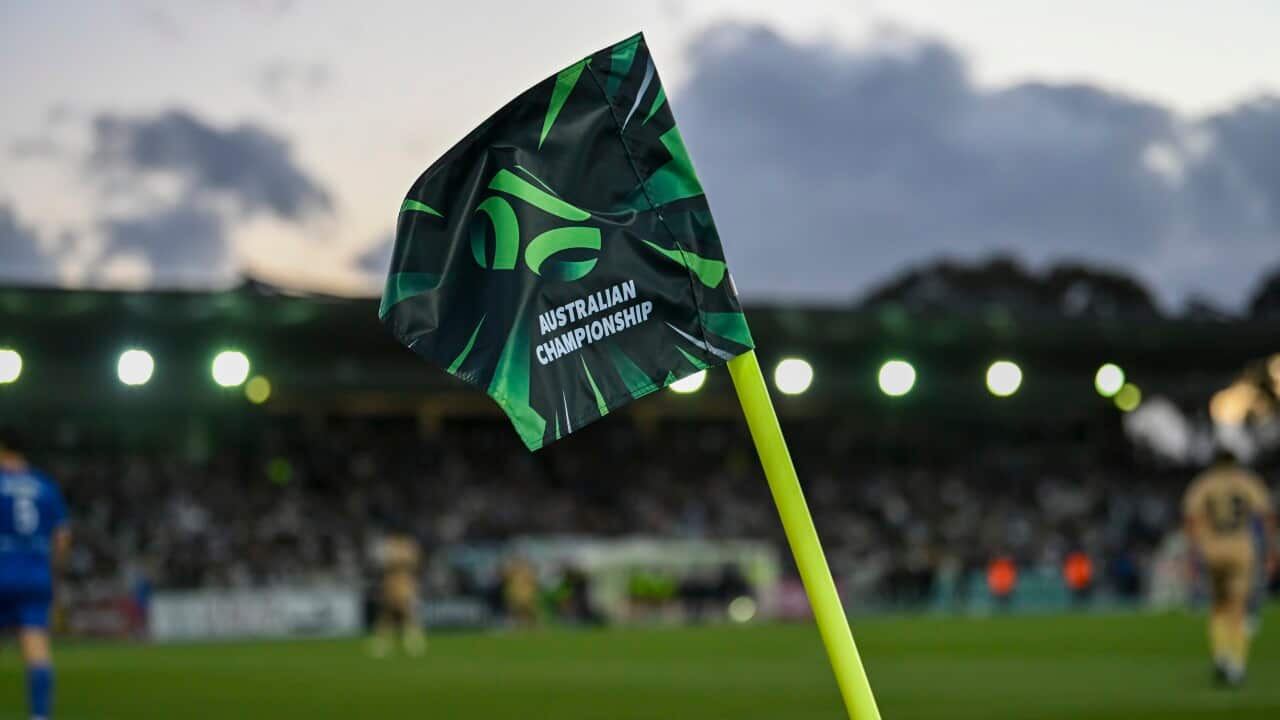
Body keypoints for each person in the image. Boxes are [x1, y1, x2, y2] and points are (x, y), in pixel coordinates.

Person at [1183, 449, 1276, 687]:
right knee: (1238, 606)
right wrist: (1272, 549)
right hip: (1241, 549)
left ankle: (1221, 655)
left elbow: (1191, 518)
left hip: (1212, 549)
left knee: (1218, 606)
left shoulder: (1205, 483)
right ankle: (1237, 663)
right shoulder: (1247, 481)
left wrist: (1193, 552)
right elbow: (1267, 515)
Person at [0, 427, 70, 720]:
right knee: (37, 647)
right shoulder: (45, 485)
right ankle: (39, 716)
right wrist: (51, 574)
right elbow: (63, 538)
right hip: (36, 574)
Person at [369, 530, 425, 657]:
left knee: (407, 611)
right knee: (387, 612)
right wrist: (398, 562)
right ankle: (383, 642)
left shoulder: (408, 544)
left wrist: (397, 562)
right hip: (390, 581)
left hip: (405, 580)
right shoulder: (390, 544)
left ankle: (413, 641)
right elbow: (383, 562)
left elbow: (414, 562)